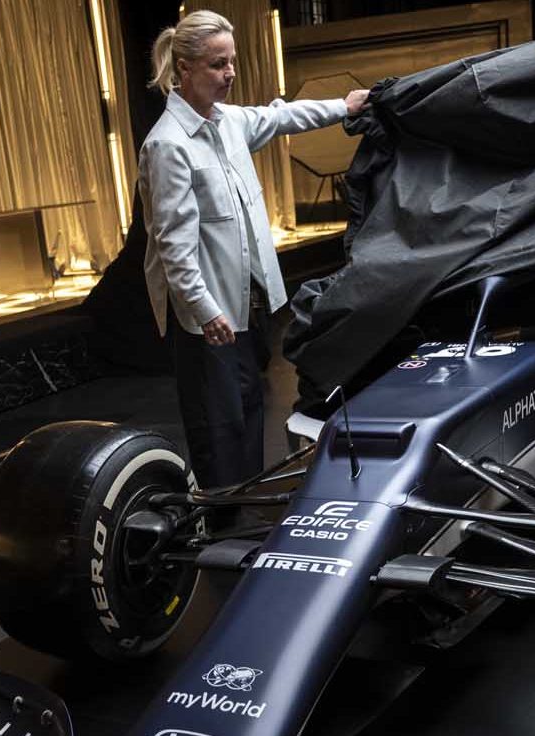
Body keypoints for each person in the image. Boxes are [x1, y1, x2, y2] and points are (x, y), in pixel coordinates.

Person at [140, 10, 369, 490]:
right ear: (184, 69)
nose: (230, 75)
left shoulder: (229, 122)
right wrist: (205, 311)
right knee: (219, 430)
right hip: (207, 321)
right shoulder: (168, 145)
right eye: (217, 65)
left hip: (245, 308)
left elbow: (282, 115)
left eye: (233, 62)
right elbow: (174, 248)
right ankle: (224, 525)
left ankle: (244, 514)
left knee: (248, 416)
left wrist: (343, 107)